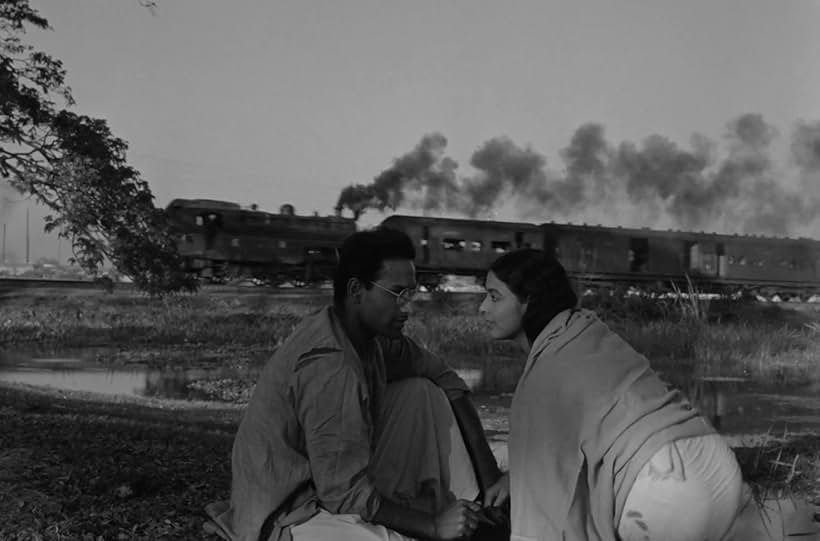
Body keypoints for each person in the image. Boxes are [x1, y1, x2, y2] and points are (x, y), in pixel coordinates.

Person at [205, 227, 506, 541]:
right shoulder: (331, 364)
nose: (407, 307)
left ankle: (474, 508)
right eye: (396, 293)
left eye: (410, 293)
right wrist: (431, 527)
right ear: (356, 290)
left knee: (423, 392)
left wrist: (490, 478)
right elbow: (342, 493)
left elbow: (448, 380)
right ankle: (442, 522)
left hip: (328, 487)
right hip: (288, 512)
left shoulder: (369, 338)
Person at [479, 248, 747, 541]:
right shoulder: (586, 332)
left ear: (528, 300)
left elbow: (542, 513)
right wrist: (518, 475)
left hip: (665, 489)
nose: (483, 308)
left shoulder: (543, 379)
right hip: (716, 468)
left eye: (494, 297)